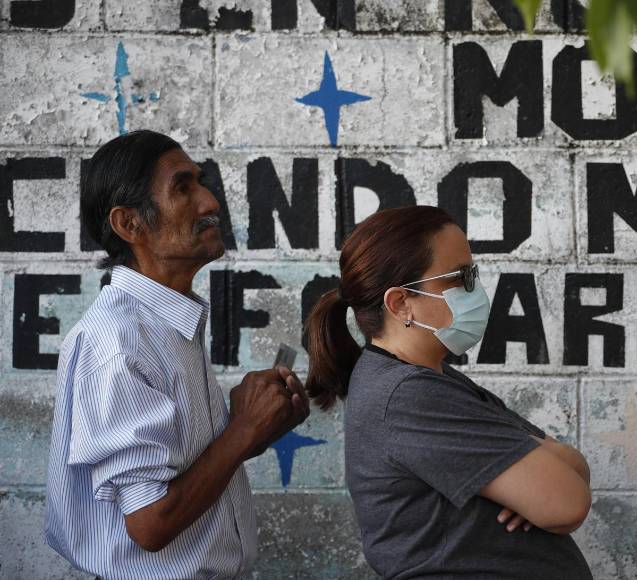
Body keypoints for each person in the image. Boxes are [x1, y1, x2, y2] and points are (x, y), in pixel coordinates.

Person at [45, 130, 310, 579]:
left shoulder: (167, 323)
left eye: (201, 183)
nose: (210, 203)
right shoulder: (118, 341)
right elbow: (151, 523)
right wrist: (242, 431)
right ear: (130, 225)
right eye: (182, 188)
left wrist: (258, 427)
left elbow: (184, 471)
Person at [303, 206, 593, 579]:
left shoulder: (433, 379)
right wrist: (542, 465)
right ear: (400, 303)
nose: (474, 288)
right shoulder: (408, 394)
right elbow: (567, 502)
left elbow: (575, 474)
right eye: (459, 277)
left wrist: (544, 470)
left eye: (473, 273)